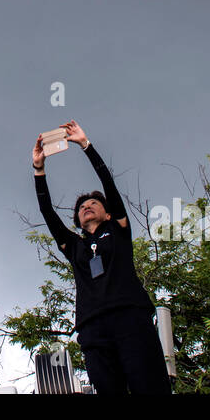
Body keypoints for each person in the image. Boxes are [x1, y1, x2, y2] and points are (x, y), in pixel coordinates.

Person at [32, 120, 171, 394]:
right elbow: (47, 211)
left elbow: (109, 184)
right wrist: (39, 169)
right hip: (93, 328)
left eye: (93, 203)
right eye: (82, 206)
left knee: (149, 386)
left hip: (130, 319)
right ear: (78, 220)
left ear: (107, 213)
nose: (87, 206)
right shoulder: (73, 246)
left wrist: (86, 145)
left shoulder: (118, 230)